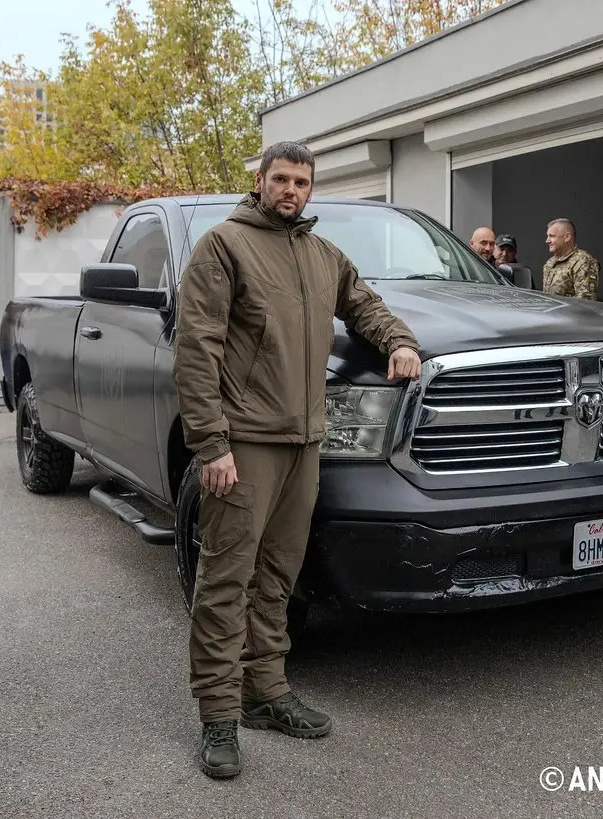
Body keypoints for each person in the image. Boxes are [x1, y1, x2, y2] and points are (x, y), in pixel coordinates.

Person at [173, 140, 422, 780]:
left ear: (312, 189)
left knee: (279, 575)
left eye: (302, 181)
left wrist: (398, 340)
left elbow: (363, 302)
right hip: (244, 442)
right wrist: (212, 444)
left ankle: (267, 692)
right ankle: (219, 718)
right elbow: (196, 350)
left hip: (303, 441)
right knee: (226, 579)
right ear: (259, 182)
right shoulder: (224, 247)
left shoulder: (319, 254)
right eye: (280, 179)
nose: (291, 190)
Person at [541, 218, 600, 300]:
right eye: (547, 236)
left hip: (570, 313)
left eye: (552, 236)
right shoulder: (550, 263)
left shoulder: (583, 261)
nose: (547, 241)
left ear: (567, 237)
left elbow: (586, 301)